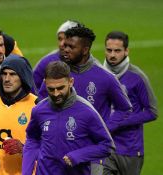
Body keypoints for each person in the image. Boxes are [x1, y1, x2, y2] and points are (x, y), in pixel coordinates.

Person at [37, 26, 132, 175]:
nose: (65, 49)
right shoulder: (58, 77)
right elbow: (41, 104)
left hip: (93, 158)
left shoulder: (105, 77)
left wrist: (105, 128)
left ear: (85, 50)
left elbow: (125, 108)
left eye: (71, 46)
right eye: (65, 45)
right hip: (59, 153)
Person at [22, 61, 115, 175]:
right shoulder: (39, 110)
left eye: (61, 88)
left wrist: (78, 156)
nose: (56, 94)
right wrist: (26, 172)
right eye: (51, 89)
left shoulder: (87, 111)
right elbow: (32, 139)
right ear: (45, 83)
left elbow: (107, 146)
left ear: (71, 82)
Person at [102, 31, 158, 175]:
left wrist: (121, 121)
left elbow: (152, 111)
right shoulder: (99, 75)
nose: (112, 55)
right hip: (104, 149)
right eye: (109, 50)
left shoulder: (137, 77)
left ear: (126, 51)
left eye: (117, 50)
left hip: (130, 150)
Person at [0, 55, 38, 175]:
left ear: (23, 76)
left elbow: (47, 150)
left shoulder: (37, 106)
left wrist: (24, 149)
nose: (7, 79)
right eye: (4, 73)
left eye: (13, 74)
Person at [33, 20, 84, 90]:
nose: (61, 44)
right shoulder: (46, 62)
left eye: (66, 38)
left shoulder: (94, 67)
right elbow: (32, 90)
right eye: (60, 39)